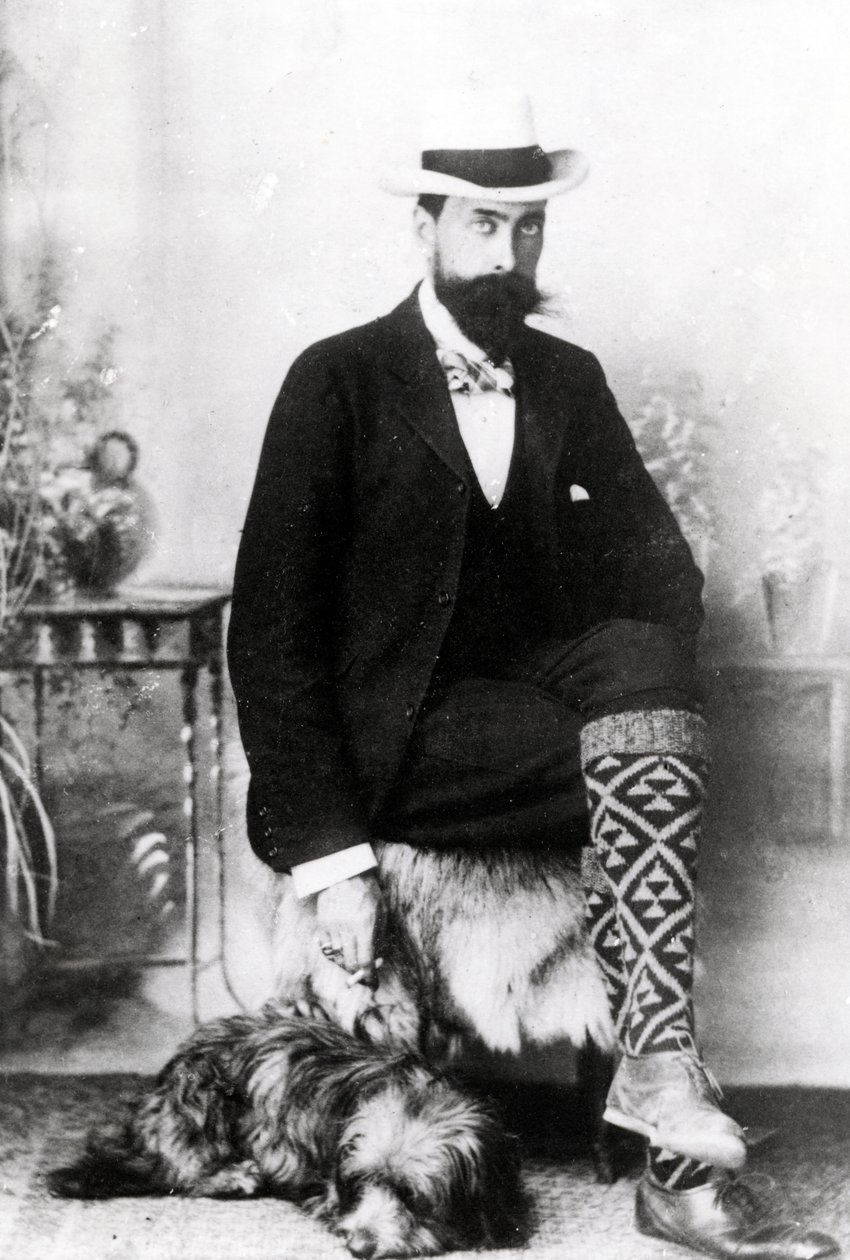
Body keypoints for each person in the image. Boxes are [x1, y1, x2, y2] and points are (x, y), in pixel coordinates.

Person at [228, 87, 838, 1260]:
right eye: (481, 225)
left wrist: (627, 685)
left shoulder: (566, 376)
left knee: (649, 662)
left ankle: (658, 1090)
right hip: (403, 739)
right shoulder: (337, 381)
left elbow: (658, 568)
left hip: (540, 715)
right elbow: (271, 634)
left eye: (527, 227)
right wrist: (334, 858)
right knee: (647, 750)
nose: (506, 255)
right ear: (424, 226)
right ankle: (675, 1148)